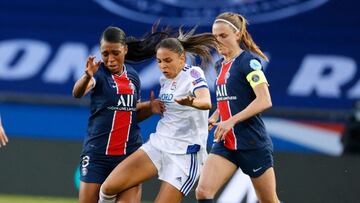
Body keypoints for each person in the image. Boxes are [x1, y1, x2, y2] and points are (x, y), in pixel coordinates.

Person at [98, 29, 218, 203]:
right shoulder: (165, 80)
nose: (163, 66)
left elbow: (206, 101)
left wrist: (191, 102)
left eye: (168, 61)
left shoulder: (193, 74)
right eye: (159, 61)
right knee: (108, 188)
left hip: (184, 155)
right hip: (159, 144)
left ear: (182, 58)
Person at [72, 26, 168, 203]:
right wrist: (86, 76)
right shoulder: (98, 74)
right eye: (105, 53)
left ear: (125, 49)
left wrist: (150, 107)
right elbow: (78, 92)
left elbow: (131, 115)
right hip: (97, 155)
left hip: (128, 156)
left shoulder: (133, 77)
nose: (110, 59)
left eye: (115, 52)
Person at [195, 12, 280, 203]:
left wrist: (231, 120)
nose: (218, 41)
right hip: (226, 142)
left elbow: (264, 100)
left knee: (269, 200)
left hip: (251, 142)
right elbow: (229, 98)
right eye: (215, 37)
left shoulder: (249, 62)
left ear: (238, 34)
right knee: (203, 192)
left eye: (223, 36)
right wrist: (216, 116)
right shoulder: (219, 65)